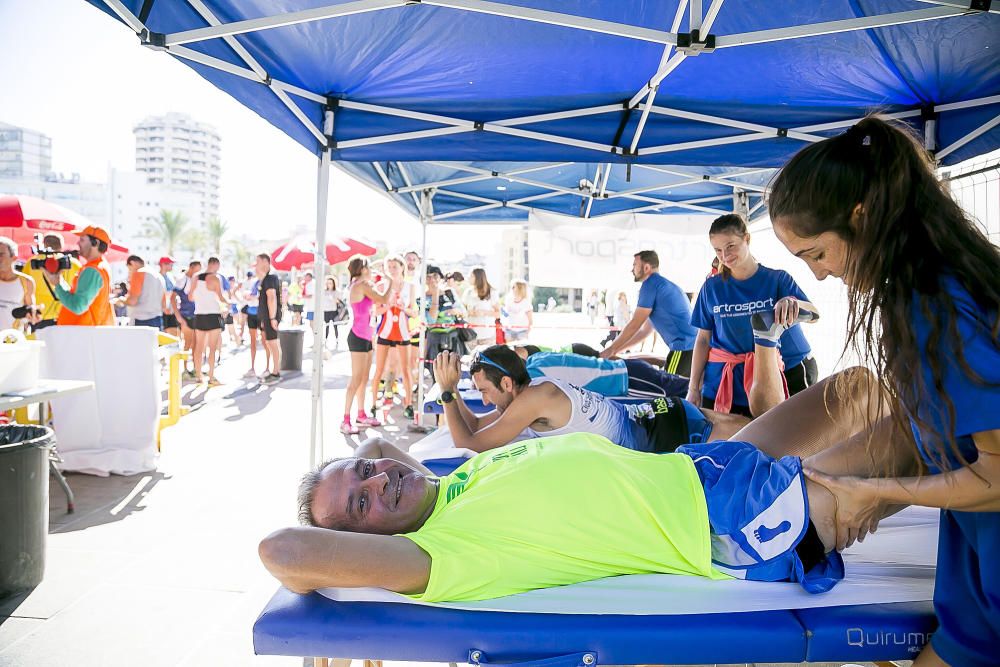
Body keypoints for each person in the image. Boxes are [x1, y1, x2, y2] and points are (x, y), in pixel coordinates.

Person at [766, 116, 1000, 667]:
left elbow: (996, 475)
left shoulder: (938, 306)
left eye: (816, 254)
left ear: (861, 218)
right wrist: (859, 482)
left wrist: (878, 491)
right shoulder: (940, 285)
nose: (820, 277)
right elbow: (940, 430)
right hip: (976, 589)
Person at [260, 412, 862, 602]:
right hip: (726, 522)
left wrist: (359, 474)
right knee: (921, 434)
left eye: (367, 474)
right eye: (361, 504)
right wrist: (359, 525)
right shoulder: (444, 552)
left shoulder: (454, 480)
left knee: (854, 387)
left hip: (702, 464)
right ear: (372, 540)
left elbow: (378, 449)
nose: (379, 481)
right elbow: (283, 550)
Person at [433, 345, 747, 454]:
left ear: (506, 382)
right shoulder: (532, 391)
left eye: (485, 391)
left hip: (670, 431)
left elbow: (468, 444)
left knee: (772, 446)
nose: (485, 401)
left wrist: (448, 394)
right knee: (761, 430)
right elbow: (472, 426)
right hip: (665, 415)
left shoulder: (532, 400)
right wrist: (453, 391)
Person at [686, 214, 820, 418]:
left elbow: (815, 314)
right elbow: (703, 340)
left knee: (789, 439)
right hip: (727, 380)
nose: (725, 255)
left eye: (731, 246)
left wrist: (793, 302)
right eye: (718, 250)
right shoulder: (711, 288)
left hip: (785, 371)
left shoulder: (777, 279)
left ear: (747, 239)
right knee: (728, 443)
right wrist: (693, 387)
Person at [599, 251, 698, 376]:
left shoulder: (650, 285)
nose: (632, 270)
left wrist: (610, 350)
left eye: (635, 265)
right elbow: (644, 332)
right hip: (693, 346)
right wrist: (616, 350)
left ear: (646, 267)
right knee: (681, 390)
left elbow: (635, 324)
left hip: (684, 347)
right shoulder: (661, 285)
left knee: (667, 390)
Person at [342, 256, 393, 434]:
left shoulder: (363, 284)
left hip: (366, 336)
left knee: (364, 378)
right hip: (357, 336)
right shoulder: (360, 285)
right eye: (368, 267)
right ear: (362, 269)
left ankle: (361, 414)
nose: (371, 269)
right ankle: (345, 419)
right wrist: (391, 280)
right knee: (356, 379)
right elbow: (383, 299)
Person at [370, 255, 417, 421]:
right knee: (379, 369)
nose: (391, 270)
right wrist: (389, 305)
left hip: (403, 332)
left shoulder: (410, 286)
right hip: (384, 332)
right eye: (388, 267)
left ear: (402, 267)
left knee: (405, 370)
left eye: (394, 267)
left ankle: (409, 404)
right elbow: (376, 311)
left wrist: (404, 308)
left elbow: (414, 312)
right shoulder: (381, 285)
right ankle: (373, 404)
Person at [42, 225, 114, 327]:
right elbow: (78, 300)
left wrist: (58, 286)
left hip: (81, 333)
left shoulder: (92, 270)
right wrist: (58, 281)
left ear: (96, 243)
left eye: (82, 240)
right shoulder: (98, 267)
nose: (78, 243)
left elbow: (78, 307)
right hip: (84, 333)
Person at [22, 233, 80, 330]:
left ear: (44, 244)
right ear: (62, 246)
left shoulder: (33, 263)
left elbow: (24, 289)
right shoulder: (72, 263)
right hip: (64, 316)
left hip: (38, 316)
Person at [187, 256, 230, 385]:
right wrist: (229, 303)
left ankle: (199, 376)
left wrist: (201, 298)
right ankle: (211, 377)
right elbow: (221, 297)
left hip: (200, 315)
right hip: (213, 315)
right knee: (212, 348)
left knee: (199, 348)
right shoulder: (215, 278)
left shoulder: (195, 277)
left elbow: (190, 297)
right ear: (216, 265)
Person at [424, 265, 467, 375]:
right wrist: (435, 295)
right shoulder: (421, 297)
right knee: (436, 373)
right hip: (434, 339)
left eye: (435, 276)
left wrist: (454, 311)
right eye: (428, 277)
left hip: (452, 338)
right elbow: (431, 322)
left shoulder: (449, 292)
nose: (432, 279)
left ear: (441, 277)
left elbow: (463, 311)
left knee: (454, 371)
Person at [0, 236, 39, 330]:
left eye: (1, 254)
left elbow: (31, 312)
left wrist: (34, 314)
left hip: (11, 338)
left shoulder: (26, 282)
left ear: (14, 257)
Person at [256, 254, 283, 384]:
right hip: (267, 317)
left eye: (258, 261)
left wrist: (272, 318)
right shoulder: (266, 278)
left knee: (273, 343)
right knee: (270, 343)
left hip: (270, 316)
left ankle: (276, 372)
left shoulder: (270, 277)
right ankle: (274, 370)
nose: (256, 264)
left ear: (265, 262)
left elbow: (272, 298)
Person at [173, 261, 201, 377]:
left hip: (197, 316)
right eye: (197, 269)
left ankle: (195, 369)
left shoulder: (197, 280)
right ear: (192, 267)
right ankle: (185, 370)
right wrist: (178, 316)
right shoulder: (182, 280)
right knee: (187, 343)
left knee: (196, 344)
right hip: (185, 316)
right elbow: (172, 298)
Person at [123, 255, 167, 329]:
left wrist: (121, 300)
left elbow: (132, 301)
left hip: (140, 320)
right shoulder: (159, 276)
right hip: (157, 319)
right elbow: (164, 304)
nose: (130, 272)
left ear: (132, 263)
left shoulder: (138, 273)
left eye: (129, 269)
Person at [462, 267, 500, 348]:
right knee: (471, 359)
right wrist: (469, 312)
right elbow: (462, 311)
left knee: (486, 359)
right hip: (470, 335)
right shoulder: (468, 292)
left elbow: (498, 314)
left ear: (478, 277)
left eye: (471, 276)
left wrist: (484, 312)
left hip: (487, 335)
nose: (468, 277)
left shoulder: (491, 292)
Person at [158, 256, 180, 337]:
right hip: (163, 310)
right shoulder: (158, 276)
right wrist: (164, 307)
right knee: (165, 334)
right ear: (163, 264)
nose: (172, 266)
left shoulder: (170, 276)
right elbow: (163, 294)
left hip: (171, 309)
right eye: (170, 264)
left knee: (174, 333)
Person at [321, 277, 345, 347]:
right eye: (328, 283)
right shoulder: (324, 291)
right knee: (327, 326)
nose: (329, 284)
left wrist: (334, 299)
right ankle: (325, 339)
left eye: (330, 283)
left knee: (335, 326)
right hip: (326, 310)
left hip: (334, 311)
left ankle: (337, 339)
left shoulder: (337, 291)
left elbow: (340, 301)